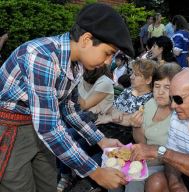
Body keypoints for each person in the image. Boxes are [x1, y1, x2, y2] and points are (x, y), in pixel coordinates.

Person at [0, 3, 135, 192]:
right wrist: (95, 172)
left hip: (39, 123)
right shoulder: (41, 57)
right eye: (108, 53)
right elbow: (49, 128)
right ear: (87, 40)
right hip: (10, 127)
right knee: (19, 186)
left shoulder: (76, 64)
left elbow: (70, 109)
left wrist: (101, 141)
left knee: (47, 183)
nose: (107, 62)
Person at [121, 63, 181, 192]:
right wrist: (136, 126)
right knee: (115, 172)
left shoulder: (180, 113)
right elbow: (141, 142)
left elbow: (177, 155)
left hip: (166, 164)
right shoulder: (150, 104)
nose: (160, 92)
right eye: (157, 86)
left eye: (167, 87)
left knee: (133, 181)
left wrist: (144, 160)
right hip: (146, 159)